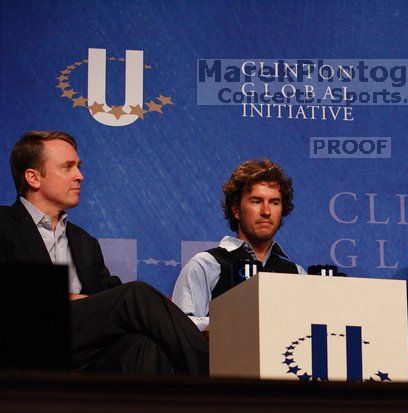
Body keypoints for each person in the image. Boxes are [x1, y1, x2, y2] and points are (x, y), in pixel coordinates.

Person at [0, 131, 209, 375]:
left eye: (78, 167)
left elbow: (109, 299)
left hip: (81, 352)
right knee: (137, 295)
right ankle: (215, 380)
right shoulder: (5, 224)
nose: (80, 176)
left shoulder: (83, 242)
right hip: (23, 340)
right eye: (68, 167)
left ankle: (176, 410)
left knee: (143, 347)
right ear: (33, 177)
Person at [173, 159, 304, 330]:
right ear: (236, 210)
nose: (266, 211)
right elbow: (181, 330)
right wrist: (236, 326)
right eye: (256, 201)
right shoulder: (206, 265)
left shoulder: (297, 273)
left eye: (274, 202)